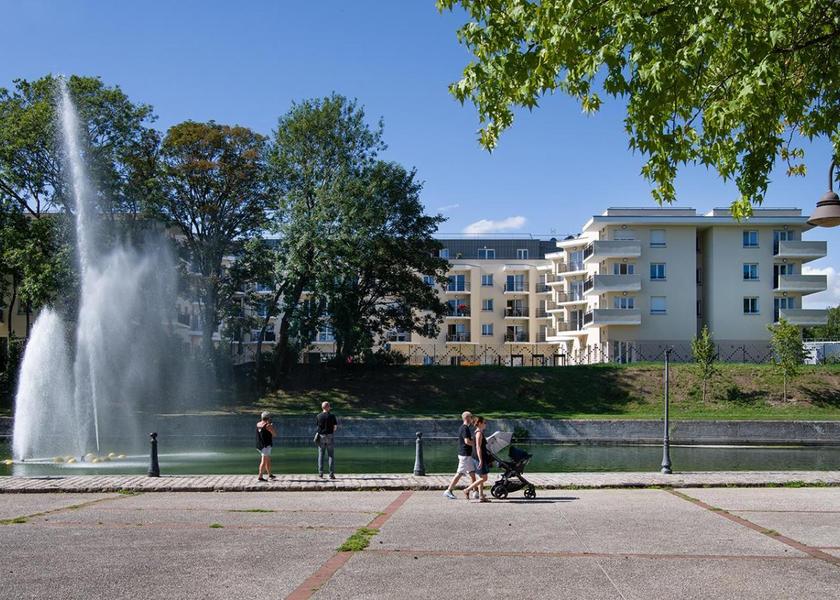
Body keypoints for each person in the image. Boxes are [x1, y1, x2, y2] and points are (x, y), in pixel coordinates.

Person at [443, 411, 476, 499]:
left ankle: (475, 492)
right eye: (471, 417)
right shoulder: (465, 428)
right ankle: (448, 490)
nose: (472, 419)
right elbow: (467, 441)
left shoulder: (463, 427)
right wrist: (477, 444)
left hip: (467, 454)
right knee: (460, 473)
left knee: (472, 473)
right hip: (465, 455)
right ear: (467, 418)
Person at [463, 416, 491, 502]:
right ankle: (467, 489)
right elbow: (478, 447)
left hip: (476, 456)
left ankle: (481, 496)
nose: (485, 424)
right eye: (484, 422)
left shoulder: (477, 432)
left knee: (481, 477)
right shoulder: (479, 433)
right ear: (479, 423)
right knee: (484, 478)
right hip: (479, 457)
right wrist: (481, 460)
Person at [316, 401, 338, 479]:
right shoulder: (332, 416)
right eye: (329, 406)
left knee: (321, 455)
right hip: (330, 436)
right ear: (328, 407)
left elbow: (318, 426)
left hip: (321, 436)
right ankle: (331, 474)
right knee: (331, 455)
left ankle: (320, 473)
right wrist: (331, 431)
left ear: (322, 407)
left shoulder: (318, 416)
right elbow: (335, 427)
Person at [256, 411, 277, 482]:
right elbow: (274, 434)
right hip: (266, 445)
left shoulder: (258, 424)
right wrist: (271, 427)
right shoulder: (268, 425)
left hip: (260, 445)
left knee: (268, 460)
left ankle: (270, 474)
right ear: (268, 418)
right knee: (264, 461)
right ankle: (260, 476)